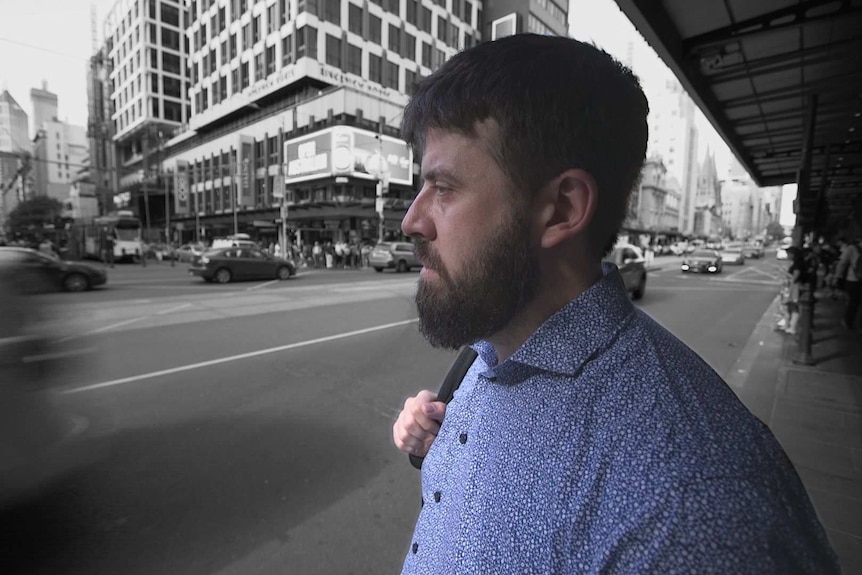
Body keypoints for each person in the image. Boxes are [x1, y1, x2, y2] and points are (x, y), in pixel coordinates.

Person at [391, 34, 838, 573]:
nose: (411, 222)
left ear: (561, 209)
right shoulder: (491, 349)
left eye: (443, 188)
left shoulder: (693, 509)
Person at [835, 236, 861, 330]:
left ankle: (848, 322)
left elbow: (842, 263)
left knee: (853, 302)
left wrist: (837, 276)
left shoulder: (852, 248)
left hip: (853, 279)